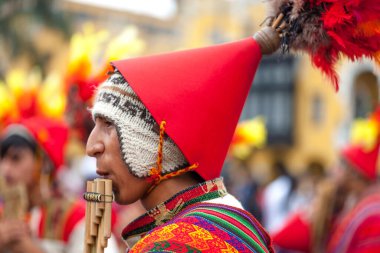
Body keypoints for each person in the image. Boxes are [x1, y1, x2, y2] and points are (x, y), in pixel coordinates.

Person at [85, 18, 284, 252]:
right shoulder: (231, 220)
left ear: (158, 144)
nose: (91, 146)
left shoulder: (173, 245)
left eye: (109, 124)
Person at [0, 116, 118, 253]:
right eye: (2, 158)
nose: (5, 168)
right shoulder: (3, 216)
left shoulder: (79, 218)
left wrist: (27, 249)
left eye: (16, 158)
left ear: (43, 163)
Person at [272, 108, 380, 253]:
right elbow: (280, 238)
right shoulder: (353, 206)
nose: (333, 169)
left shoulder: (371, 212)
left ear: (354, 174)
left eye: (341, 164)